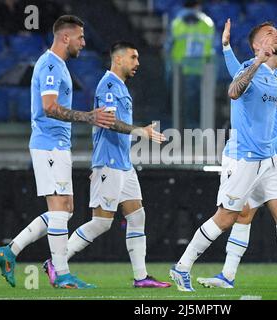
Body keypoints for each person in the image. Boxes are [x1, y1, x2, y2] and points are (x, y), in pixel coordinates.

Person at [170, 20, 277, 292]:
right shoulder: (250, 69)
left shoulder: (272, 76)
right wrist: (255, 61)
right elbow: (233, 92)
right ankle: (181, 267)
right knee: (225, 218)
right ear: (258, 45)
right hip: (244, 158)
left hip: (268, 158)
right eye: (270, 34)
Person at [0, 15, 116, 289]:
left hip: (56, 145)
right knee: (60, 211)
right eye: (80, 37)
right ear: (65, 37)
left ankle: (10, 251)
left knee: (66, 209)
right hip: (49, 144)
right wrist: (88, 117)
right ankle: (60, 273)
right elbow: (49, 106)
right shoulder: (50, 65)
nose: (84, 43)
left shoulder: (57, 65)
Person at [42, 41, 171, 288]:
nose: (137, 63)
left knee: (137, 216)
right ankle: (56, 260)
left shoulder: (120, 87)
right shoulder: (109, 86)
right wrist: (140, 131)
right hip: (109, 162)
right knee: (101, 222)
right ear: (119, 59)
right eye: (133, 57)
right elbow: (108, 122)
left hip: (123, 163)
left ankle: (141, 277)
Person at [197, 20, 277, 289]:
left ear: (276, 54)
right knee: (243, 214)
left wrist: (266, 146)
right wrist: (224, 47)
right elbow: (237, 76)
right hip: (260, 157)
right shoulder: (258, 74)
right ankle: (227, 275)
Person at [165, 0, 214, 128]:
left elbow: (168, 48)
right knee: (198, 106)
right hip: (201, 71)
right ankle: (196, 133)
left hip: (179, 72)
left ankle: (180, 133)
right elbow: (213, 48)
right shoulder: (208, 23)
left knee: (179, 106)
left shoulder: (176, 23)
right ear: (198, 5)